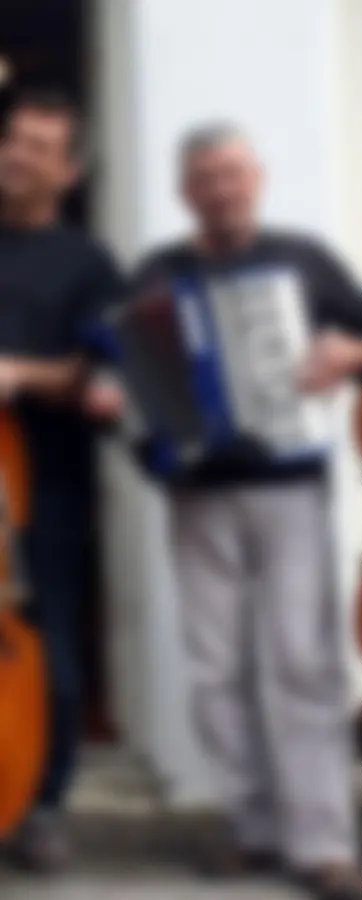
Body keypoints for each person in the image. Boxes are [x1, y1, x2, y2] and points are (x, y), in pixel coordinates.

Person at [82, 123, 362, 898]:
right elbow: (116, 368)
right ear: (189, 191)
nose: (219, 189)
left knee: (302, 664)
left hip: (288, 486)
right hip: (197, 490)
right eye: (204, 177)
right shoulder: (159, 271)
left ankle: (318, 843)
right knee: (217, 669)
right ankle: (250, 827)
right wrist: (120, 402)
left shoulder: (301, 262)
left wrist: (338, 355)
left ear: (252, 181)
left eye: (231, 175)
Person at [0, 88, 122, 872]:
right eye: (13, 140)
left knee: (50, 657)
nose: (18, 155)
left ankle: (38, 806)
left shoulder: (86, 266)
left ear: (67, 169)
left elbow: (104, 383)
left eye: (40, 147)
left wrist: (20, 375)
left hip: (44, 490)